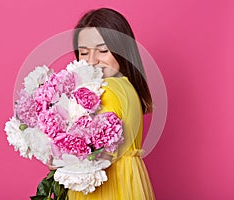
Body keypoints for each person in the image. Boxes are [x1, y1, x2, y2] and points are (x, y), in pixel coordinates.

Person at [48, 8, 155, 199]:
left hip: (106, 189)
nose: (92, 61)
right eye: (83, 53)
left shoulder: (106, 90)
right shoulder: (128, 87)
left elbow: (94, 156)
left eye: (103, 51)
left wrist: (61, 159)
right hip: (129, 183)